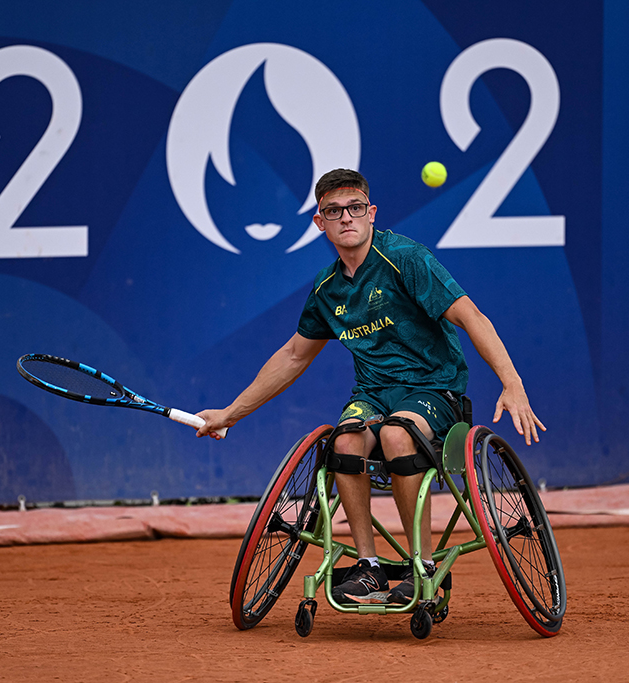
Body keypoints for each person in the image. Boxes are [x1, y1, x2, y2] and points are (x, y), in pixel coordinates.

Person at [196, 168, 544, 605]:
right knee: (344, 440)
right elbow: (292, 356)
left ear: (371, 213)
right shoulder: (327, 291)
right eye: (334, 211)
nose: (346, 218)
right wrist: (229, 414)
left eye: (355, 208)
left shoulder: (407, 259)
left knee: (398, 433)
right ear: (319, 222)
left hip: (435, 389)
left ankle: (422, 565)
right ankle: (368, 564)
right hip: (374, 395)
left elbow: (472, 316)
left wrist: (511, 384)